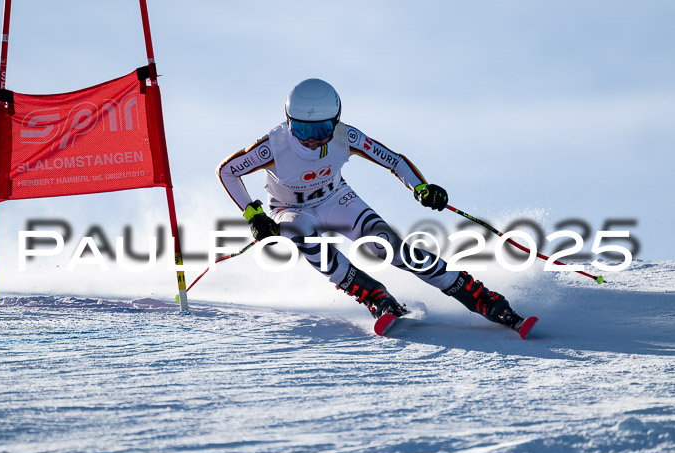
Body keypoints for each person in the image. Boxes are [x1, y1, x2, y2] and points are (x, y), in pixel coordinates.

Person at [217, 78, 530, 333]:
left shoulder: (344, 136)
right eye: (301, 130)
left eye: (321, 130)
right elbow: (228, 171)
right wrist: (254, 215)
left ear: (335, 122)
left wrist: (421, 188)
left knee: (390, 249)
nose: (311, 140)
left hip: (335, 198)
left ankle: (480, 297)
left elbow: (393, 160)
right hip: (290, 209)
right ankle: (372, 294)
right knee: (302, 236)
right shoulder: (275, 145)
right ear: (288, 123)